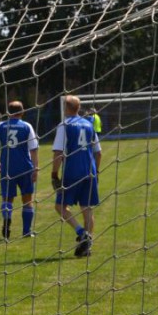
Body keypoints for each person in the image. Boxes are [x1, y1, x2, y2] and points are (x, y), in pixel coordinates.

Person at [52, 95, 102, 258]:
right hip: (90, 170)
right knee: (87, 208)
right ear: (78, 108)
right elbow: (98, 152)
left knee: (60, 207)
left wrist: (54, 173)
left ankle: (82, 233)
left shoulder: (64, 125)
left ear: (66, 108)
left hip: (72, 171)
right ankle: (87, 246)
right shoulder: (89, 124)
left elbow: (58, 152)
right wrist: (97, 170)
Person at [0, 102, 39, 240]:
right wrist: (36, 168)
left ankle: (7, 222)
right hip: (25, 168)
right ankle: (26, 231)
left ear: (8, 112)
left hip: (8, 168)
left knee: (7, 199)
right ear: (22, 112)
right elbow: (33, 149)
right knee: (27, 200)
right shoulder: (26, 126)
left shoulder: (1, 126)